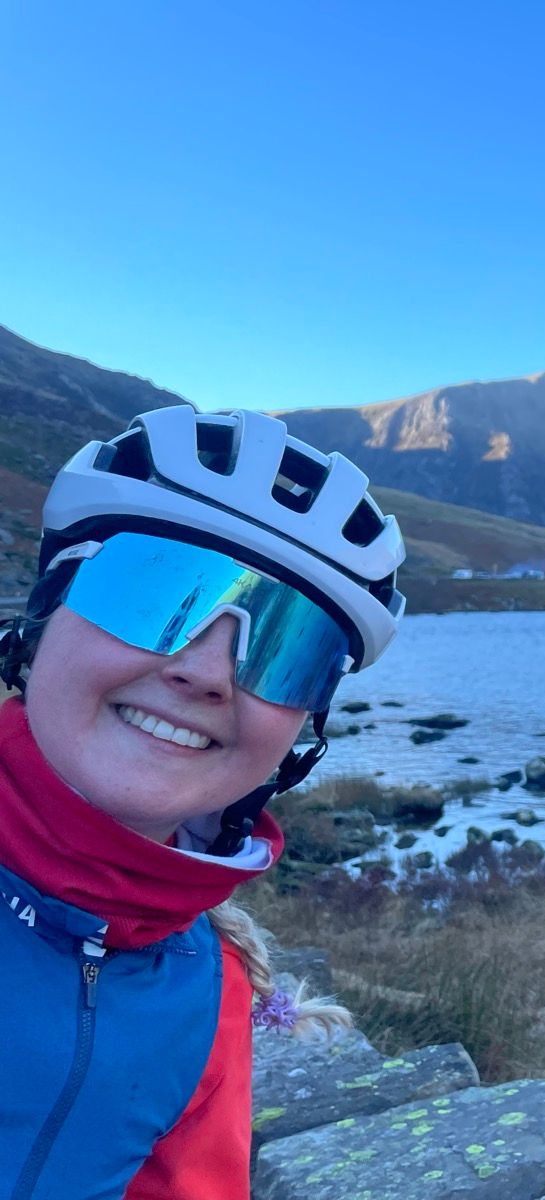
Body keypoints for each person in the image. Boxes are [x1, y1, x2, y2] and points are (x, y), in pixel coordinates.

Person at [0, 404, 405, 1198]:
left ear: (304, 728)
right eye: (154, 595)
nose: (206, 673)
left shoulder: (212, 987)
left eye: (286, 650)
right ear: (40, 624)